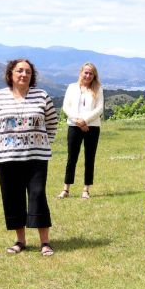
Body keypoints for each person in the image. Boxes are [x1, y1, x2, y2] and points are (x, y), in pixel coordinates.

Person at [0, 59, 58, 256]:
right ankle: (20, 241)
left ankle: (45, 242)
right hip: (7, 158)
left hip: (36, 156)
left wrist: (42, 142)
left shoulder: (42, 96)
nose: (23, 75)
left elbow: (52, 122)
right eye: (19, 71)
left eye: (28, 72)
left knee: (38, 194)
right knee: (12, 197)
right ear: (11, 74)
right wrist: (0, 145)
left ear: (32, 76)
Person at [57, 62, 104, 200]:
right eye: (86, 72)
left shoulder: (98, 88)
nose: (88, 75)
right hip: (73, 125)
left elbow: (99, 109)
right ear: (81, 72)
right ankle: (66, 189)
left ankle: (86, 189)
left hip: (92, 127)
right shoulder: (71, 87)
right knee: (72, 158)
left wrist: (85, 121)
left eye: (91, 73)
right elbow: (66, 107)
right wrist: (77, 120)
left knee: (89, 158)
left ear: (94, 75)